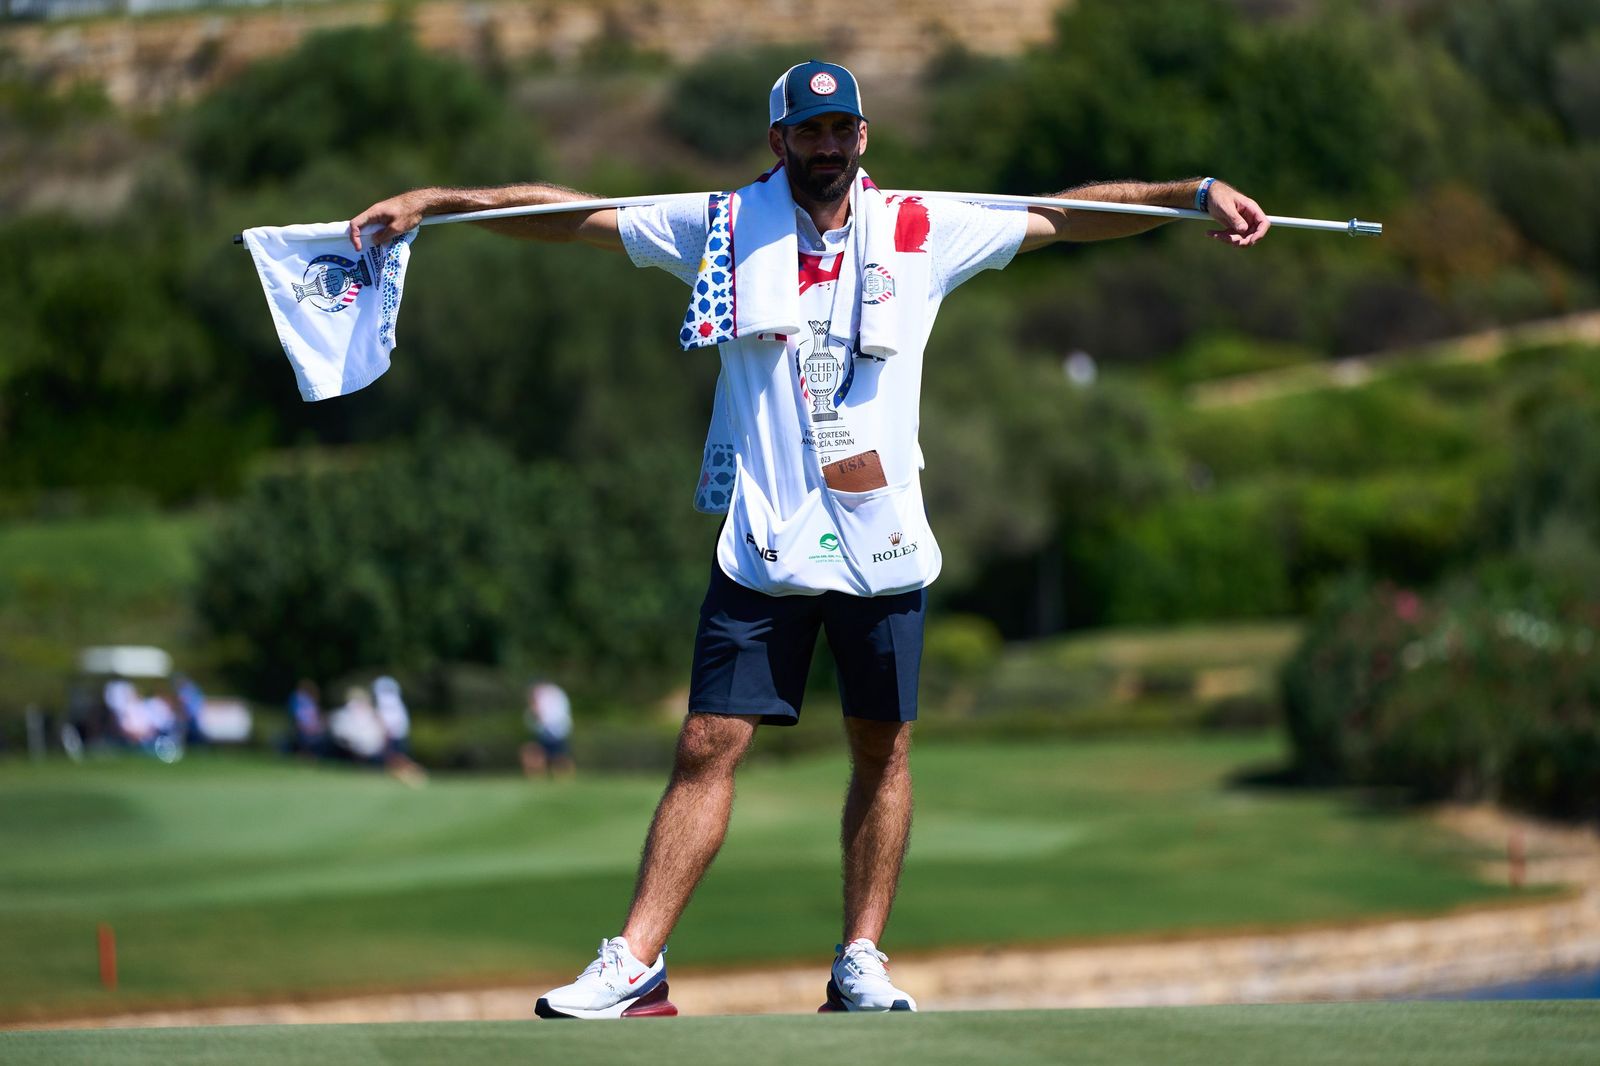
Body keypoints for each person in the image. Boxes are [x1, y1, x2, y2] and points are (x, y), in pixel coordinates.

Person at [349, 60, 1269, 1019]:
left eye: (842, 130)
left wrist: (1193, 195)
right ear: (778, 140)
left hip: (882, 543)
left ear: (862, 137)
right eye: (809, 131)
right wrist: (439, 201)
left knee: (882, 748)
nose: (827, 145)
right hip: (765, 541)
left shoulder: (920, 226)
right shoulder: (722, 223)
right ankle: (636, 964)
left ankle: (860, 961)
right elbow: (575, 213)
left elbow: (1069, 215)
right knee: (708, 742)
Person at [520, 678, 575, 779]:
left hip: (551, 729)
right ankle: (560, 777)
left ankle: (544, 776)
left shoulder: (544, 695)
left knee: (556, 755)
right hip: (556, 729)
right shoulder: (556, 693)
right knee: (557, 754)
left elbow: (539, 713)